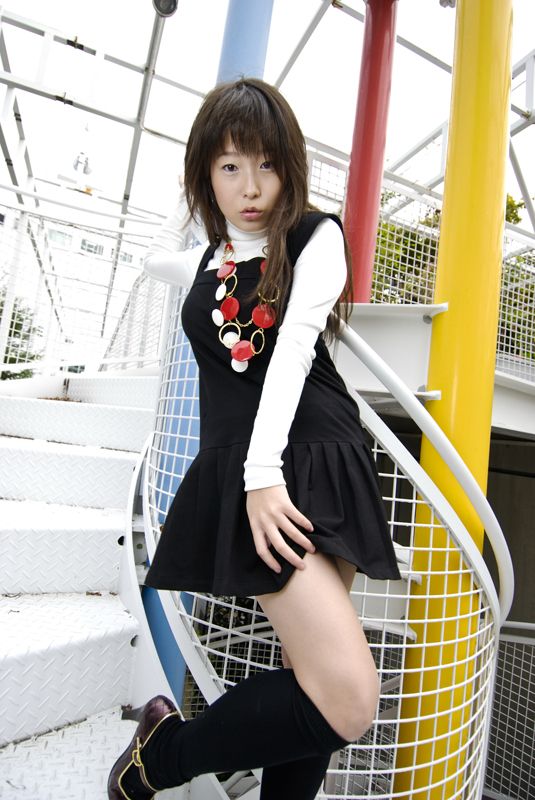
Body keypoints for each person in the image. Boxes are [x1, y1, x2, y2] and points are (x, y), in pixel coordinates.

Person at [108, 78, 400, 800]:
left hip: (312, 459)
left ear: (288, 167)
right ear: (206, 172)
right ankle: (161, 753)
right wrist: (192, 194)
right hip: (252, 467)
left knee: (332, 689)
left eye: (266, 164)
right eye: (229, 166)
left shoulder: (313, 238)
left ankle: (162, 756)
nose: (250, 187)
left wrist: (262, 476)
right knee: (334, 692)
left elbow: (294, 351)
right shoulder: (204, 261)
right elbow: (152, 257)